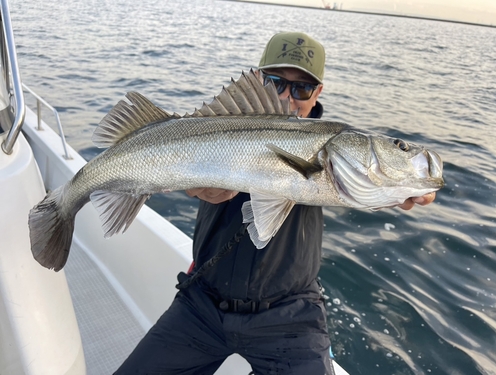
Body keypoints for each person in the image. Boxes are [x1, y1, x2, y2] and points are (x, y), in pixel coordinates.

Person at [115, 32, 435, 375]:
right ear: (257, 80)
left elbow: (359, 183)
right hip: (202, 304)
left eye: (301, 89)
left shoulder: (332, 148)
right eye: (275, 82)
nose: (287, 97)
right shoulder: (219, 125)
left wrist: (391, 189)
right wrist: (193, 188)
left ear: (318, 93)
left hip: (291, 316)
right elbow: (179, 160)